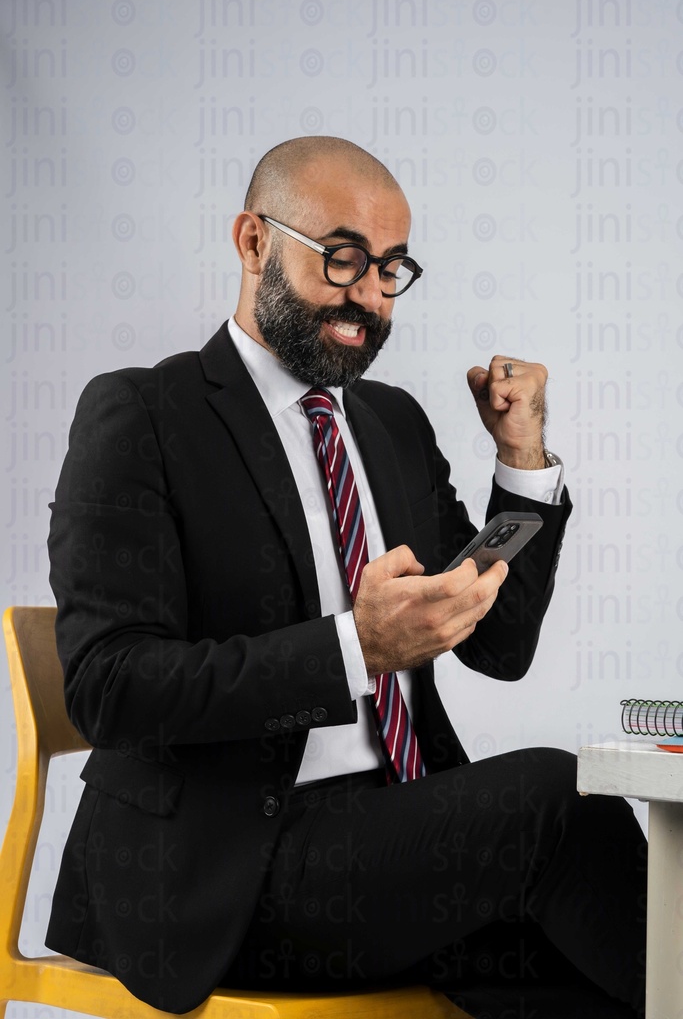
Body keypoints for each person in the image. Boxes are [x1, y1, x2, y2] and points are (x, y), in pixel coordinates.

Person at [46, 136, 646, 1018]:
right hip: (225, 872)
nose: (367, 295)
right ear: (254, 242)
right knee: (560, 800)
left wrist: (522, 462)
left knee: (587, 975)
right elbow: (109, 689)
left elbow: (501, 646)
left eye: (390, 269)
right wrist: (351, 649)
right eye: (342, 259)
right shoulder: (142, 414)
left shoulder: (389, 423)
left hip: (391, 843)